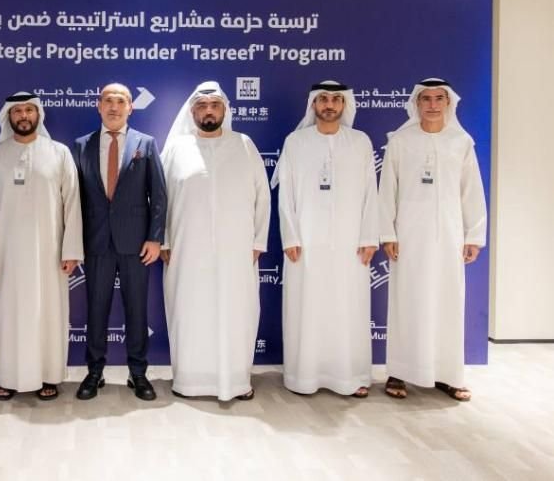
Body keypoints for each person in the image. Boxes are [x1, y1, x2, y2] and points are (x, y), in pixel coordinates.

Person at [160, 81, 270, 401]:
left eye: (214, 105)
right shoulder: (176, 149)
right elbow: (160, 200)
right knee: (190, 312)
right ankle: (189, 381)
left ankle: (236, 382)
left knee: (236, 313)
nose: (208, 111)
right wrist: (164, 241)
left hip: (236, 250)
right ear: (192, 112)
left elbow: (262, 196)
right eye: (202, 106)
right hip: (186, 250)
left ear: (224, 110)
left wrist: (258, 242)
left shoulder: (244, 145)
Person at [379, 78, 487, 402]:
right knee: (407, 302)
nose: (433, 105)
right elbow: (387, 190)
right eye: (426, 99)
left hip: (449, 237)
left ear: (448, 103)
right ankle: (399, 372)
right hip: (409, 238)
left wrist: (474, 235)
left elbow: (471, 191)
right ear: (417, 103)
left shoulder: (461, 142)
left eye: (439, 98)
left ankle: (448, 375)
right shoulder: (401, 141)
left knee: (447, 303)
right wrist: (387, 232)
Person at [0, 92, 84, 401]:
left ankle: (48, 375)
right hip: (5, 256)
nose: (23, 116)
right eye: (17, 111)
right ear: (8, 117)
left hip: (50, 255)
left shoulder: (59, 153)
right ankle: (8, 377)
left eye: (29, 110)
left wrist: (71, 250)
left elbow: (72, 203)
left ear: (39, 115)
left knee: (48, 314)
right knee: (8, 316)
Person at [273, 81, 378, 398]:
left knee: (348, 308)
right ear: (313, 105)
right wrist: (290, 236)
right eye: (322, 99)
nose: (329, 105)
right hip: (305, 244)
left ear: (344, 104)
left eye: (335, 99)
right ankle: (303, 377)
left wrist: (369, 237)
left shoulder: (360, 142)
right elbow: (286, 194)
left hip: (350, 244)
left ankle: (350, 377)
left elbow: (370, 193)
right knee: (307, 309)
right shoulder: (296, 142)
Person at [72, 83, 167, 401]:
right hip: (95, 243)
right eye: (108, 101)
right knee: (96, 310)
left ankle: (138, 373)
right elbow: (74, 200)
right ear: (98, 106)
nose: (114, 107)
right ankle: (94, 372)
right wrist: (73, 243)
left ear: (130, 107)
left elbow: (159, 196)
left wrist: (155, 238)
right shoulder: (81, 145)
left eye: (121, 101)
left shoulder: (146, 143)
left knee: (136, 311)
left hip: (136, 244)